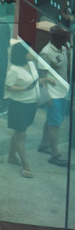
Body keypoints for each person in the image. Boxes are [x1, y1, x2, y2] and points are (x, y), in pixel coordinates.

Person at [5, 41, 41, 178]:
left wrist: (46, 81)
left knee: (20, 131)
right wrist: (24, 89)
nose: (31, 53)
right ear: (22, 54)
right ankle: (25, 165)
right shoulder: (14, 70)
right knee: (22, 134)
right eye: (29, 51)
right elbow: (8, 86)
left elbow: (34, 81)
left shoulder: (31, 65)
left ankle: (11, 156)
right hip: (18, 105)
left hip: (31, 104)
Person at [39, 28, 71, 166]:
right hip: (53, 94)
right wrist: (46, 97)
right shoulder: (46, 53)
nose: (65, 40)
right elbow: (42, 77)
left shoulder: (64, 49)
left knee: (52, 120)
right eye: (62, 37)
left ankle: (44, 144)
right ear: (53, 37)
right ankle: (55, 154)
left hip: (63, 92)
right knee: (55, 124)